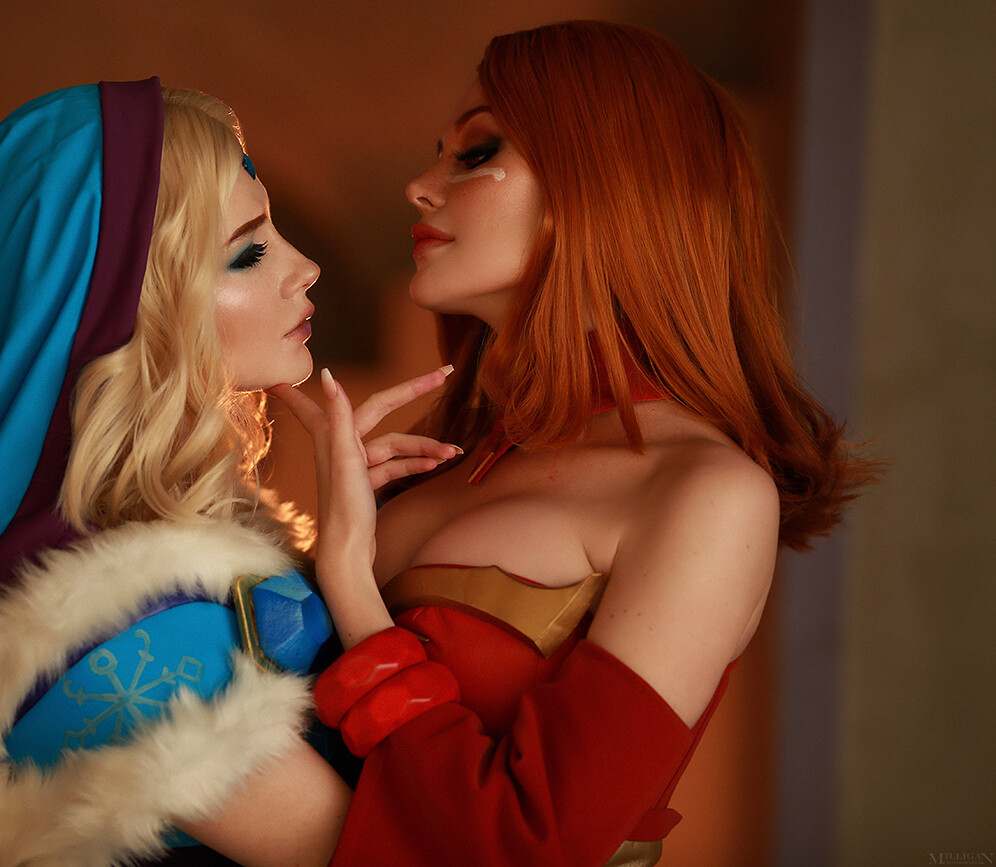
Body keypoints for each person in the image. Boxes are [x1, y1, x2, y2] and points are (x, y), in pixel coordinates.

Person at [273, 20, 880, 867]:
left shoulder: (708, 493)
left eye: (477, 152)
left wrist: (348, 581)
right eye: (438, 153)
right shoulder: (441, 467)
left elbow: (536, 843)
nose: (419, 186)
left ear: (605, 183)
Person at [0, 79, 454, 867]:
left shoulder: (156, 582)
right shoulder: (112, 653)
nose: (306, 267)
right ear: (126, 320)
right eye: (248, 253)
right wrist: (348, 571)